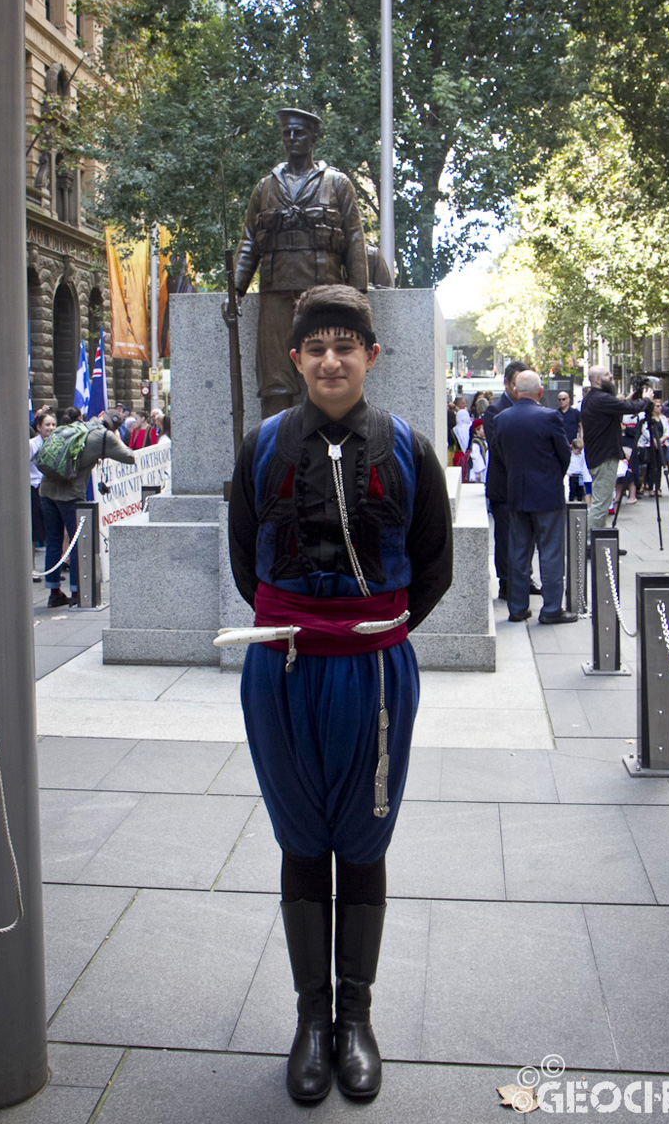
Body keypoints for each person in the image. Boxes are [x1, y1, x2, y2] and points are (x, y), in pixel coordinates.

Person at [228, 284, 452, 1104]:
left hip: (373, 673)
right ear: (295, 360)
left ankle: (354, 1020)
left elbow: (433, 568)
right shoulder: (260, 448)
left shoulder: (409, 449)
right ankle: (308, 1020)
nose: (330, 360)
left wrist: (373, 632)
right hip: (281, 669)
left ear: (371, 356)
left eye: (344, 346)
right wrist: (304, 628)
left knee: (364, 838)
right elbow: (245, 559)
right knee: (299, 836)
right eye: (315, 347)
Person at [233, 108, 368, 419]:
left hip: (323, 292)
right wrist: (235, 291)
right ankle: (275, 447)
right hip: (275, 291)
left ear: (313, 139)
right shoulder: (264, 187)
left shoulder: (337, 183)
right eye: (287, 133)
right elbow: (250, 242)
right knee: (275, 379)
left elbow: (354, 239)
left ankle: (323, 442)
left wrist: (358, 295)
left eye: (299, 133)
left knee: (324, 368)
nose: (292, 139)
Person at [493, 370, 576, 624]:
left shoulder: (502, 419)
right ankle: (551, 609)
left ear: (516, 391)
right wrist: (551, 479)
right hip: (548, 495)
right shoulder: (550, 417)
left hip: (517, 494)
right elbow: (564, 455)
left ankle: (518, 608)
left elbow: (500, 456)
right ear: (540, 392)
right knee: (550, 552)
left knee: (518, 553)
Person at [40, 409, 135, 607]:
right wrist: (115, 439)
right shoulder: (104, 437)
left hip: (46, 491)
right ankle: (77, 592)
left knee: (54, 541)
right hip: (70, 495)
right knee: (77, 544)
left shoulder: (76, 426)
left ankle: (54, 592)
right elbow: (130, 457)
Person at [580, 367, 653, 547]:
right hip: (604, 457)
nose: (611, 377)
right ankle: (590, 543)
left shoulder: (594, 398)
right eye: (606, 375)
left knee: (603, 501)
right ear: (597, 380)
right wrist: (646, 400)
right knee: (601, 503)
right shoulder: (600, 398)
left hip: (600, 456)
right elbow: (628, 408)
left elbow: (620, 407)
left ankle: (602, 542)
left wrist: (632, 397)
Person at [483, 360, 533, 599]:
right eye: (517, 384)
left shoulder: (534, 407)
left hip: (528, 486)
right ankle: (506, 583)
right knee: (505, 537)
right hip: (504, 486)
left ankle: (524, 578)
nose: (520, 389)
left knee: (526, 536)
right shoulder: (494, 410)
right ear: (507, 383)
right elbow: (498, 448)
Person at [29, 411, 56, 581]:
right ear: (39, 427)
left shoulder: (57, 443)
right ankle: (31, 568)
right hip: (35, 489)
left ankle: (54, 569)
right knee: (34, 531)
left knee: (53, 531)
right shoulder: (31, 444)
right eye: (47, 424)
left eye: (53, 424)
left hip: (52, 490)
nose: (51, 428)